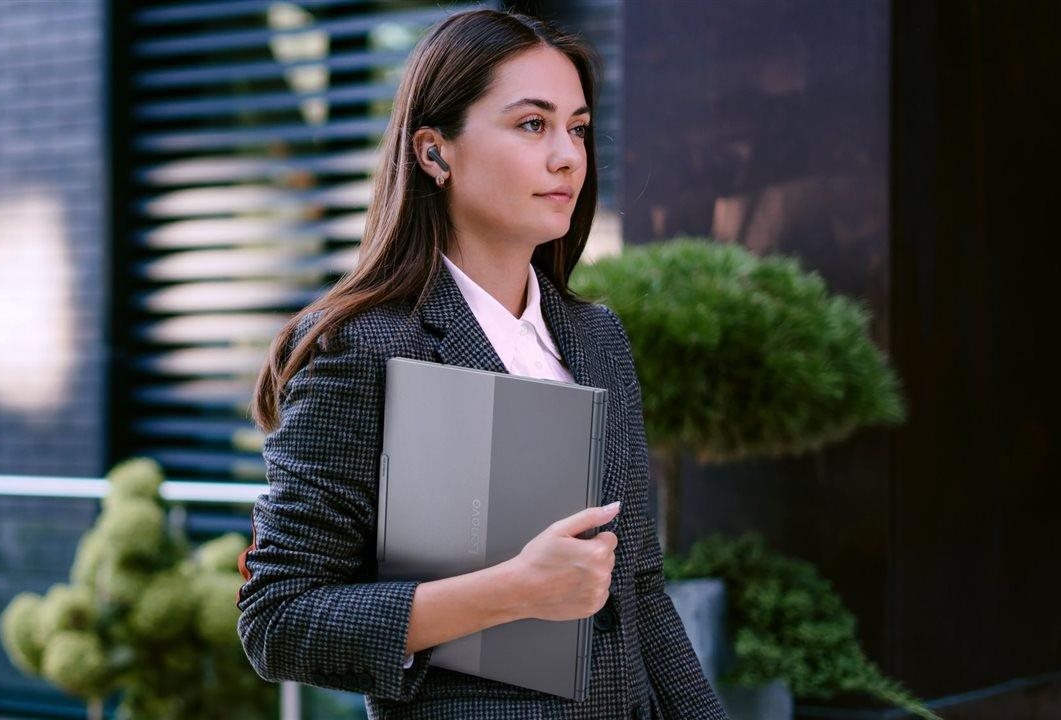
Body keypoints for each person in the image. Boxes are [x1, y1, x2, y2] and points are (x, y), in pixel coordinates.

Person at [236, 9, 728, 720]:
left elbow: (642, 591)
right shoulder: (364, 347)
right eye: (532, 124)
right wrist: (514, 590)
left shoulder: (597, 337)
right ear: (435, 153)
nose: (567, 156)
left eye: (578, 129)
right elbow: (279, 621)